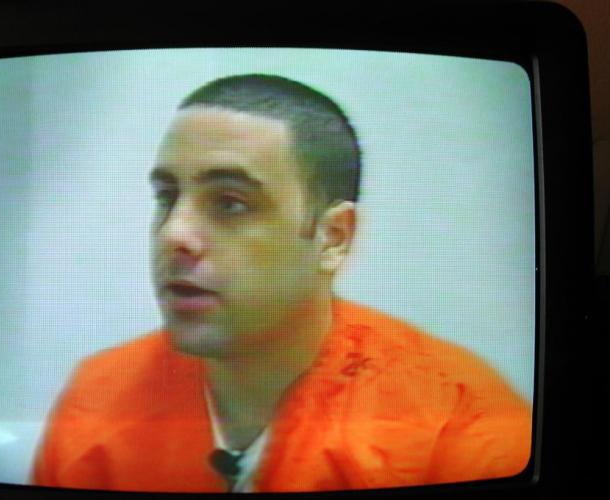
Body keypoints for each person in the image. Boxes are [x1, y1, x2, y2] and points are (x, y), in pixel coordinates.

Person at [32, 74, 532, 493]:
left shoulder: (460, 426)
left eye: (230, 203)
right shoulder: (98, 400)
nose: (173, 234)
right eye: (167, 196)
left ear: (333, 238)